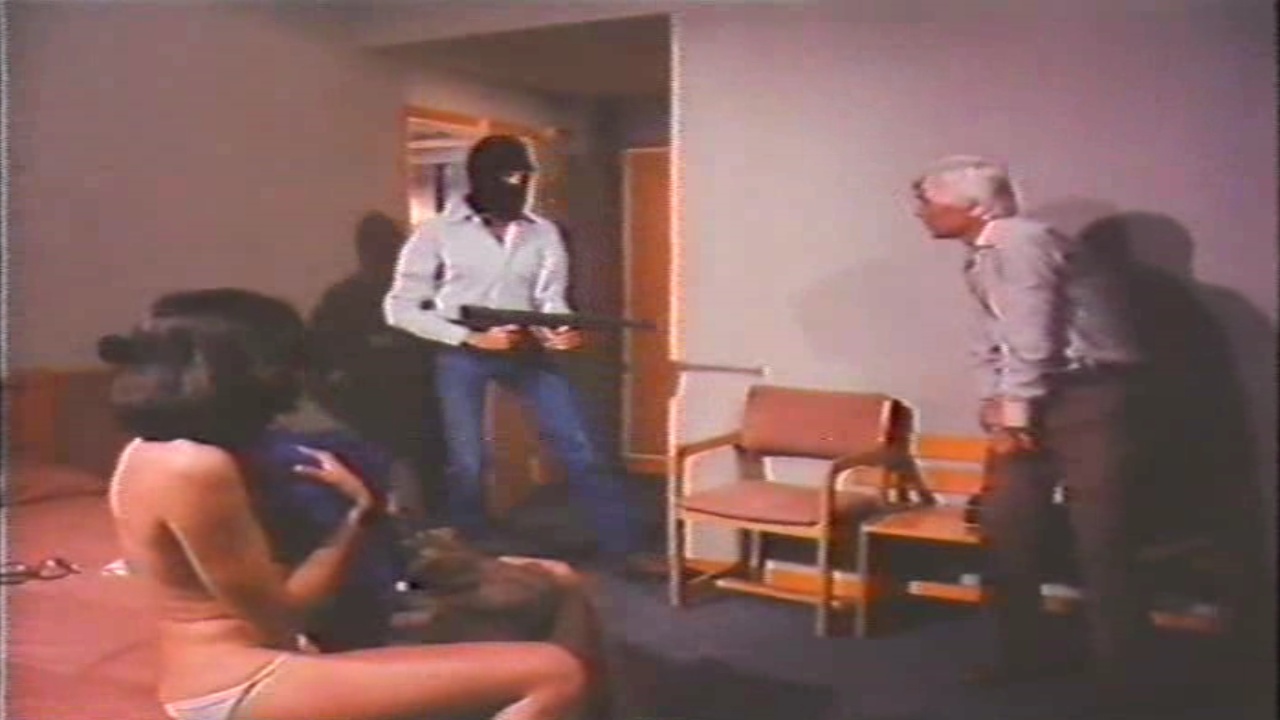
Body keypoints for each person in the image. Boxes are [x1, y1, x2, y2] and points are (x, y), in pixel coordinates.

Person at [100, 287, 586, 720]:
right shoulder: (193, 467)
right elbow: (283, 618)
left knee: (556, 595)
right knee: (555, 673)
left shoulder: (152, 450)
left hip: (253, 662)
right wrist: (358, 516)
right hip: (240, 679)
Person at [908, 157, 1150, 699]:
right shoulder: (983, 254)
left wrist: (1015, 412)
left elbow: (1033, 332)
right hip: (1037, 396)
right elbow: (990, 338)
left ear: (972, 207)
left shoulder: (1021, 241)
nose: (921, 213)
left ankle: (1126, 679)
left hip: (1089, 397)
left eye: (929, 202)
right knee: (1010, 528)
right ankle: (1025, 654)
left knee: (1103, 538)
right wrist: (994, 402)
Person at [383, 134, 656, 574]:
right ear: (480, 178)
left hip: (527, 349)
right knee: (469, 460)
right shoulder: (435, 234)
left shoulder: (543, 232)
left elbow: (550, 298)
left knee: (581, 447)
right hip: (463, 350)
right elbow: (399, 308)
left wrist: (561, 330)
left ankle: (623, 547)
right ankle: (471, 553)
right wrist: (468, 339)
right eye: (507, 177)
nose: (517, 186)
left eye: (524, 177)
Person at [307, 210, 446, 526]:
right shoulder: (344, 300)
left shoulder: (424, 295)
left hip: (426, 413)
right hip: (370, 414)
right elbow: (315, 363)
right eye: (376, 247)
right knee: (375, 494)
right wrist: (343, 406)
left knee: (436, 493)